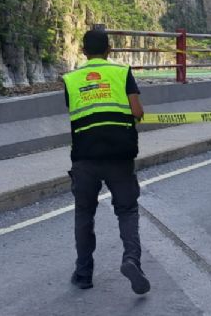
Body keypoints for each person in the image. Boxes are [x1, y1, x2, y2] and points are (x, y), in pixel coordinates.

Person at [62, 29, 150, 295]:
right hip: (119, 154)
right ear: (109, 49)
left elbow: (74, 113)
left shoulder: (71, 79)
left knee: (84, 214)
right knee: (127, 210)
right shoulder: (122, 73)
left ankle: (84, 273)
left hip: (85, 156)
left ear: (83, 51)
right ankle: (131, 260)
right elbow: (137, 111)